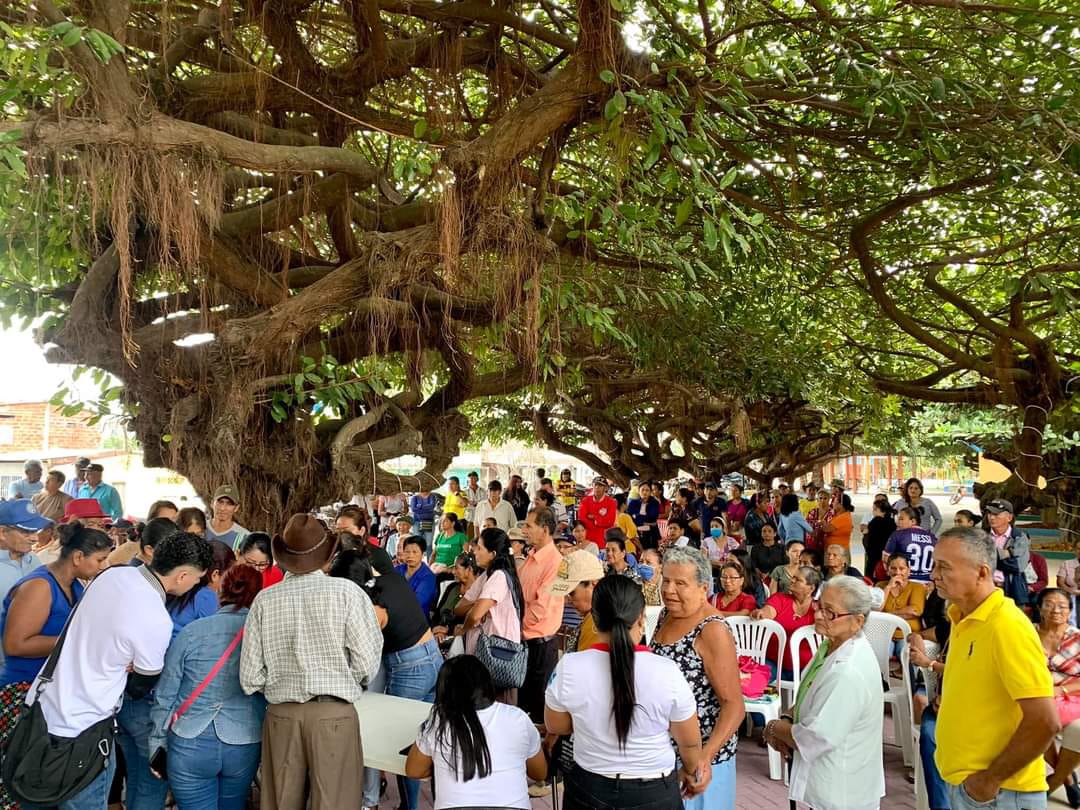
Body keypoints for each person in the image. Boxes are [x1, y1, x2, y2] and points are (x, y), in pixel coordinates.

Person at [22, 532, 211, 810]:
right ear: (182, 576)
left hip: (41, 708)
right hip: (84, 731)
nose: (196, 584)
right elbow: (141, 685)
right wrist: (130, 666)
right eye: (198, 578)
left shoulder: (112, 575)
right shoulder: (156, 617)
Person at [240, 513, 383, 810]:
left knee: (280, 802)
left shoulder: (264, 600)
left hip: (282, 714)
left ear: (283, 557)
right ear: (327, 556)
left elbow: (250, 677)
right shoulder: (347, 593)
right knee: (336, 803)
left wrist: (282, 682)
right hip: (334, 712)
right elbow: (367, 662)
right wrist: (342, 678)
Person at [545, 575, 707, 809]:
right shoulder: (667, 671)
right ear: (641, 618)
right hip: (654, 792)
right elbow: (689, 743)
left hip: (589, 789)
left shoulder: (569, 667)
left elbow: (556, 725)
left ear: (594, 620)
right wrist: (691, 772)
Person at [933, 526, 1058, 808]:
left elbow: (1045, 721)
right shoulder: (962, 616)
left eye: (944, 567)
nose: (933, 575)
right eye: (934, 565)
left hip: (999, 795)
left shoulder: (1006, 625)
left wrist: (989, 780)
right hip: (970, 787)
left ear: (982, 572)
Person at [0, 520, 112, 808]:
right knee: (20, 781)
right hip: (23, 691)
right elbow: (15, 644)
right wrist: (76, 640)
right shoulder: (39, 586)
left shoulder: (74, 585)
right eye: (100, 560)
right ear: (78, 557)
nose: (104, 566)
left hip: (49, 693)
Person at [330, 547, 443, 810]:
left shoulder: (371, 605)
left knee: (403, 745)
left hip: (410, 668)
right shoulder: (392, 578)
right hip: (432, 657)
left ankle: (408, 806)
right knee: (423, 738)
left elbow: (365, 651)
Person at [148, 564, 265, 810]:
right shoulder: (263, 634)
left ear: (220, 591)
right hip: (244, 740)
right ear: (258, 595)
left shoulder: (192, 632)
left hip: (190, 740)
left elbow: (166, 694)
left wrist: (157, 741)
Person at [764, 576, 886, 809]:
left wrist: (774, 728)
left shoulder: (848, 671)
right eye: (819, 606)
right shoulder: (830, 645)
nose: (819, 615)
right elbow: (811, 694)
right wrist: (788, 717)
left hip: (842, 790)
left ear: (857, 621)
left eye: (830, 612)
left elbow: (816, 736)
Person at [650, 546, 744, 809]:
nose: (669, 590)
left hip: (701, 761)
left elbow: (734, 705)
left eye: (680, 583)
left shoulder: (712, 629)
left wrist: (703, 759)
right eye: (666, 580)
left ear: (703, 588)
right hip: (666, 753)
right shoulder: (666, 615)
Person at [406, 655, 547, 810]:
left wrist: (440, 767)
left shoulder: (438, 721)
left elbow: (414, 771)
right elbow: (540, 773)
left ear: (444, 691)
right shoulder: (518, 718)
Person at [457, 528, 526, 703]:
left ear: (493, 554)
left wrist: (463, 629)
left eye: (480, 548)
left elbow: (475, 616)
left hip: (498, 655)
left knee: (495, 705)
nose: (475, 552)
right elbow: (459, 608)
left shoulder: (499, 577)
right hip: (487, 655)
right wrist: (481, 601)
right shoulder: (486, 576)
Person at [1033, 589, 1080, 802]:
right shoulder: (1028, 634)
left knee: (1077, 729)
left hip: (1072, 695)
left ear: (1070, 611)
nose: (1056, 610)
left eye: (1062, 606)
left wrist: (1060, 690)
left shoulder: (1077, 637)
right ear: (1040, 608)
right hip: (1034, 694)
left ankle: (1054, 782)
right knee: (1032, 720)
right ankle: (1067, 778)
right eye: (1049, 604)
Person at [517, 506, 562, 723]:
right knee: (521, 706)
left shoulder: (555, 562)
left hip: (539, 645)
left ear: (544, 529)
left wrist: (515, 627)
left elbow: (539, 609)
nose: (524, 531)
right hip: (525, 641)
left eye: (529, 526)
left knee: (535, 712)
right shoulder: (532, 556)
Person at [0, 500, 47, 675]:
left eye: (35, 531)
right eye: (26, 532)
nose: (34, 538)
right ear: (2, 532)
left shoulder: (34, 560)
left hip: (33, 664)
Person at [751, 566, 820, 678]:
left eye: (798, 579)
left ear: (811, 588)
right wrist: (761, 613)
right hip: (774, 663)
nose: (792, 580)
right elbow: (768, 611)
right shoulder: (780, 598)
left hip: (807, 668)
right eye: (793, 577)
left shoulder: (819, 608)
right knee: (753, 681)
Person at [552, 550, 605, 653]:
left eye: (571, 592)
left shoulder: (596, 622)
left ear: (593, 584)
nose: (567, 599)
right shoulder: (595, 617)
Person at [985, 498, 1032, 608]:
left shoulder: (1020, 537)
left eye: (996, 514)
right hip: (986, 589)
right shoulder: (981, 535)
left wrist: (989, 557)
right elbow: (974, 562)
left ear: (1009, 518)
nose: (991, 517)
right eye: (990, 513)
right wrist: (1005, 554)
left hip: (1011, 589)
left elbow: (1018, 566)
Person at [876, 553, 926, 648]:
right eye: (893, 568)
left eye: (902, 568)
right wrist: (888, 587)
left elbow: (915, 611)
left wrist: (886, 616)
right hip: (884, 634)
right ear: (888, 570)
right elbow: (877, 610)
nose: (897, 572)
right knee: (884, 652)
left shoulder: (917, 587)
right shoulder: (880, 586)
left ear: (908, 570)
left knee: (904, 652)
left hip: (908, 634)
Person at [885, 505, 938, 584]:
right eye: (898, 519)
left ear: (913, 521)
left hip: (904, 582)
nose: (898, 522)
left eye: (901, 519)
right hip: (928, 583)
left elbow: (886, 559)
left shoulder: (898, 535)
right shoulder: (933, 538)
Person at [431, 552, 479, 639]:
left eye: (456, 568)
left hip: (460, 639)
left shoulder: (478, 594)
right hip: (438, 636)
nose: (453, 572)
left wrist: (447, 630)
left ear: (468, 569)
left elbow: (468, 623)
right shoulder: (452, 587)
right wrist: (435, 629)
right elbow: (436, 615)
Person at [205, 485, 249, 551]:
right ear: (212, 503)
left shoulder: (244, 537)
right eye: (220, 502)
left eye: (229, 504)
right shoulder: (199, 528)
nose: (223, 508)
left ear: (236, 508)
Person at [578, 477, 617, 548]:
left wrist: (594, 517)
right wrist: (601, 520)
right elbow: (582, 520)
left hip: (603, 541)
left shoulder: (611, 502)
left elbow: (610, 522)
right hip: (587, 540)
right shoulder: (585, 501)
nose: (597, 487)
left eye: (600, 485)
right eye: (595, 485)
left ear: (606, 488)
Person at [864, 499, 897, 580]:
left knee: (871, 580)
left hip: (874, 557)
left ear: (883, 511)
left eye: (875, 509)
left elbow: (868, 538)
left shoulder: (875, 521)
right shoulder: (892, 523)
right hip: (888, 557)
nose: (873, 512)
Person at [627, 481, 661, 549]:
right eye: (642, 490)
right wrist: (645, 521)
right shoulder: (633, 502)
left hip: (651, 532)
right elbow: (629, 517)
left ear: (650, 492)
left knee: (651, 551)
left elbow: (652, 517)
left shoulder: (654, 503)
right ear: (639, 491)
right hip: (636, 532)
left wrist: (636, 516)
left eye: (647, 490)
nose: (644, 492)